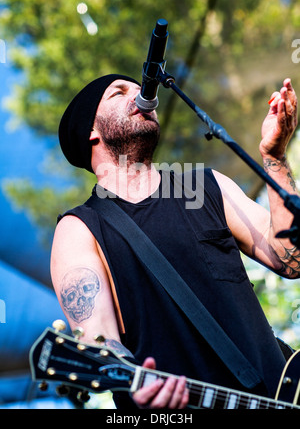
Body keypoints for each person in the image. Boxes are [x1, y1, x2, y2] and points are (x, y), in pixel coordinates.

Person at [51, 73, 299, 409]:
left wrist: (274, 155)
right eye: (119, 93)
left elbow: (290, 258)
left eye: (141, 90)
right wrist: (133, 385)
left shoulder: (207, 186)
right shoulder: (79, 228)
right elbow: (101, 344)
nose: (141, 97)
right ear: (90, 132)